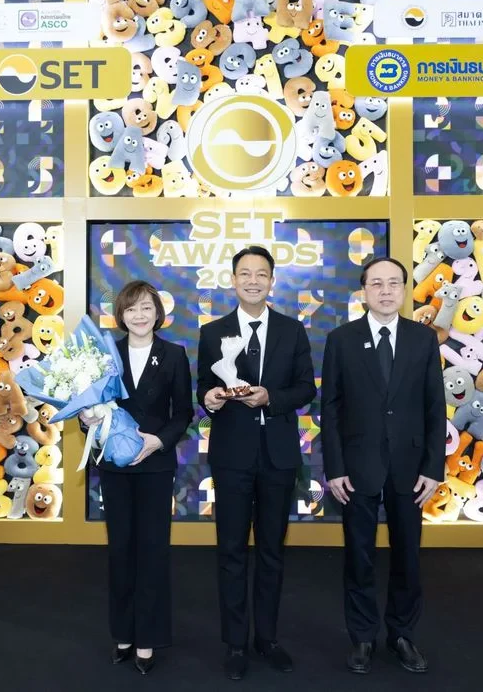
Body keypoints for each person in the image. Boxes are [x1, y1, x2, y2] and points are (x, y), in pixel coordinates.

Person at [320, 256, 447, 675]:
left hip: (411, 467)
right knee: (358, 555)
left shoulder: (422, 339)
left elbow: (435, 407)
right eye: (377, 283)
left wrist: (433, 467)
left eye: (394, 283)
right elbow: (331, 409)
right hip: (356, 467)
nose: (386, 290)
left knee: (408, 554)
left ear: (405, 290)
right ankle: (362, 636)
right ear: (364, 291)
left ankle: (402, 634)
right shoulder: (341, 340)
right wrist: (335, 467)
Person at [197, 245, 316, 680]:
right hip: (231, 456)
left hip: (278, 457)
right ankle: (235, 642)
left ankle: (267, 638)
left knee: (271, 551)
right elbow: (203, 388)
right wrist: (210, 399)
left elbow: (306, 388)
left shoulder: (292, 330)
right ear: (232, 280)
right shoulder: (213, 332)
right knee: (231, 550)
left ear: (271, 281)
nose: (253, 281)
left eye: (261, 274)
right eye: (244, 274)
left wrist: (270, 397)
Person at [87, 280, 193, 676]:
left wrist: (159, 441)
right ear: (121, 315)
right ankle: (123, 634)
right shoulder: (104, 353)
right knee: (120, 550)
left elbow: (183, 412)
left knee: (152, 550)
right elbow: (90, 405)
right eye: (131, 309)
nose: (139, 315)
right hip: (115, 467)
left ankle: (147, 637)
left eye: (146, 307)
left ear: (158, 312)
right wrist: (87, 419)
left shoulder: (174, 355)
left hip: (155, 466)